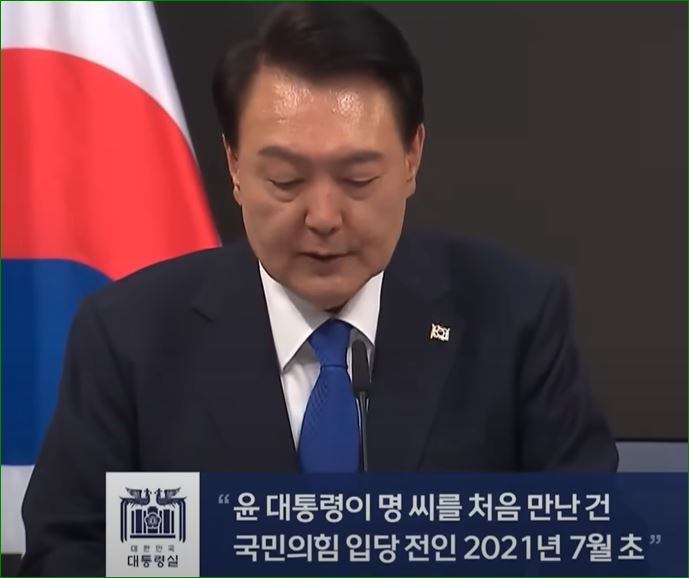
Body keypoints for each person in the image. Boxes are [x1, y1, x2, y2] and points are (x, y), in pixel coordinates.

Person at [20, 3, 618, 575]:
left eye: (358, 178)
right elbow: (66, 555)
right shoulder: (129, 337)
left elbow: (587, 542)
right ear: (234, 166)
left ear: (412, 158)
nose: (324, 217)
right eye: (286, 180)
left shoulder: (514, 319)